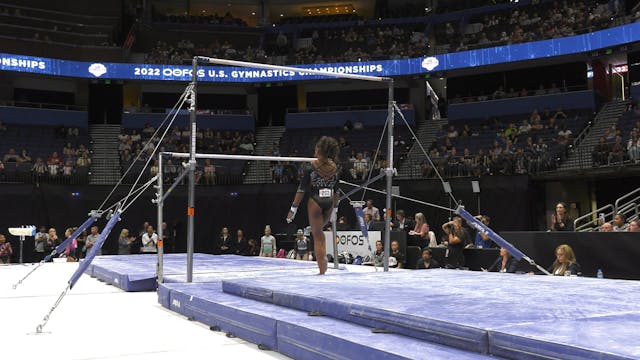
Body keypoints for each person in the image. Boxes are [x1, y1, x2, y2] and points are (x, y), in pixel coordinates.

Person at [286, 136, 340, 275]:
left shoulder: (311, 166)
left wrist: (293, 208)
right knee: (320, 234)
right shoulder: (335, 167)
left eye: (316, 147)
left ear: (321, 150)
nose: (314, 149)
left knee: (317, 236)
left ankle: (322, 270)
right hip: (328, 202)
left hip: (315, 201)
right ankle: (324, 265)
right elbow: (336, 190)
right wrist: (335, 209)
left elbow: (302, 189)